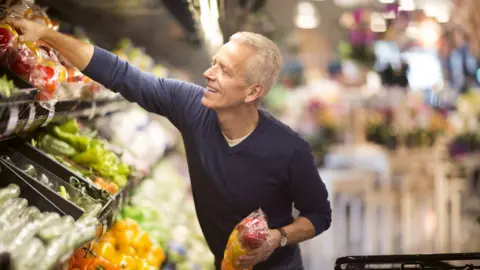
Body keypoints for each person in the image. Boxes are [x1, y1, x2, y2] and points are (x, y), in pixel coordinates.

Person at [5, 17, 332, 269]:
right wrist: (45, 34)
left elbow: (319, 215)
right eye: (214, 62)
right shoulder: (192, 106)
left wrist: (277, 237)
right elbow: (123, 75)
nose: (208, 72)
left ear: (252, 93)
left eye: (224, 70)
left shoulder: (289, 150)